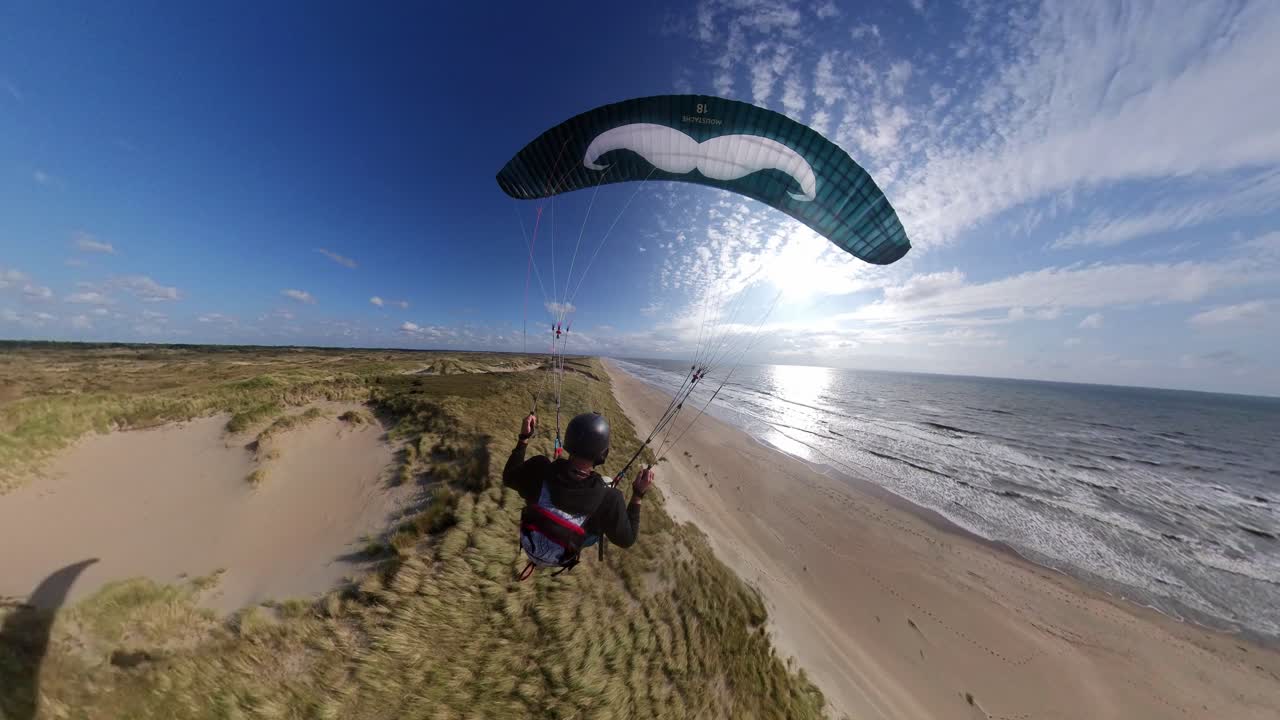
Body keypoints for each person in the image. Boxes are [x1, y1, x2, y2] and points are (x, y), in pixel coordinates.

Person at [503, 411, 653, 576]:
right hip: (563, 554)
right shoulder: (610, 498)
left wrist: (524, 438)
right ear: (603, 454)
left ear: (568, 442)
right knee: (607, 483)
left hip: (531, 538)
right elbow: (627, 540)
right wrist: (638, 494)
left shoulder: (539, 468)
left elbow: (508, 477)